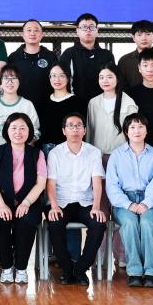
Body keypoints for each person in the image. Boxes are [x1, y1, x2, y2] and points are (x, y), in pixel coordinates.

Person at [44, 112, 108, 286]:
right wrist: (54, 206)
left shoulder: (93, 152)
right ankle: (66, 269)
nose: (75, 129)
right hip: (61, 202)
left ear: (84, 130)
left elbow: (97, 182)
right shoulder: (55, 153)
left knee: (99, 224)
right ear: (64, 131)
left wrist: (96, 207)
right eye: (70, 126)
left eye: (79, 126)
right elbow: (51, 183)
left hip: (85, 201)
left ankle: (81, 269)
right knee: (54, 223)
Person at [0, 113, 48, 283]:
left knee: (26, 223)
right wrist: (1, 204)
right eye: (13, 128)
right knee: (0, 221)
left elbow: (41, 183)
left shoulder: (37, 154)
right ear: (7, 130)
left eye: (22, 128)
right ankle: (6, 267)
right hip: (1, 201)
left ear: (29, 131)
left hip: (29, 201)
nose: (18, 132)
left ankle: (21, 268)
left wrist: (26, 202)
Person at [106, 113, 153, 287]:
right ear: (126, 132)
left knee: (148, 224)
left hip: (149, 200)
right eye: (132, 127)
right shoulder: (117, 155)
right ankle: (134, 271)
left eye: (140, 126)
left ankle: (151, 273)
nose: (136, 131)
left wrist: (146, 203)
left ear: (146, 131)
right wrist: (129, 204)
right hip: (124, 201)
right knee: (130, 223)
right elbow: (112, 186)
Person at [0, 64, 40, 153]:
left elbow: (34, 131)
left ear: (19, 81)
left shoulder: (27, 105)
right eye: (6, 78)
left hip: (22, 154)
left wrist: (24, 154)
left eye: (13, 78)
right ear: (0, 83)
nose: (10, 82)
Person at [85, 65, 138, 161]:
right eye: (101, 77)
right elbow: (89, 130)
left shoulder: (128, 103)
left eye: (109, 77)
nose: (105, 81)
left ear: (117, 79)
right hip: (97, 155)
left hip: (121, 156)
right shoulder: (93, 103)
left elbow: (134, 133)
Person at [58, 13, 116, 100]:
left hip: (101, 103)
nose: (88, 30)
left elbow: (112, 81)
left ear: (97, 31)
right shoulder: (68, 53)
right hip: (75, 102)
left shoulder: (107, 55)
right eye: (84, 27)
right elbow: (61, 80)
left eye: (91, 27)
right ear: (77, 31)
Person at [5, 20, 58, 108]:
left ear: (42, 35)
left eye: (36, 30)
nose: (32, 33)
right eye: (29, 30)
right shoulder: (13, 57)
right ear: (22, 34)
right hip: (19, 107)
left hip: (46, 106)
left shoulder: (51, 56)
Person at [37, 63, 87, 156]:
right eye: (53, 76)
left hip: (70, 150)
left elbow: (81, 130)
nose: (57, 79)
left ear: (68, 78)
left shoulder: (78, 102)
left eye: (62, 75)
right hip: (47, 151)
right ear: (49, 78)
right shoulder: (43, 102)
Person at [118, 20, 153, 90]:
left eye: (148, 34)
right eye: (139, 35)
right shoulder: (124, 61)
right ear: (133, 37)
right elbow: (121, 88)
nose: (144, 38)